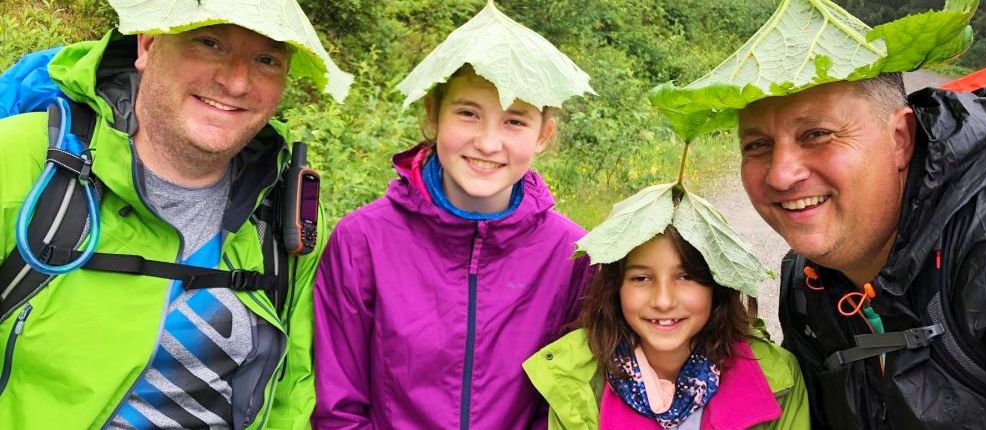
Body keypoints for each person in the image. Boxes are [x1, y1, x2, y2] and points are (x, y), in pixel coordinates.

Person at [0, 1, 352, 429]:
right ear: (147, 45)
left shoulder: (285, 214)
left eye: (266, 60)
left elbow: (291, 393)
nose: (237, 82)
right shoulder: (20, 163)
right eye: (209, 43)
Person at [738, 68, 986, 428]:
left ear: (900, 139)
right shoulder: (809, 283)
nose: (781, 174)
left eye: (817, 135)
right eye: (757, 145)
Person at [309, 3, 595, 428]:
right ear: (433, 114)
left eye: (515, 121)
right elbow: (338, 407)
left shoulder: (572, 255)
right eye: (468, 113)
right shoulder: (362, 241)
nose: (488, 142)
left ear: (543, 136)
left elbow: (564, 403)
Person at [524, 225, 810, 429]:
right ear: (616, 288)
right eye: (641, 278)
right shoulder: (577, 381)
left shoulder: (776, 378)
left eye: (685, 276)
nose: (663, 301)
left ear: (717, 286)